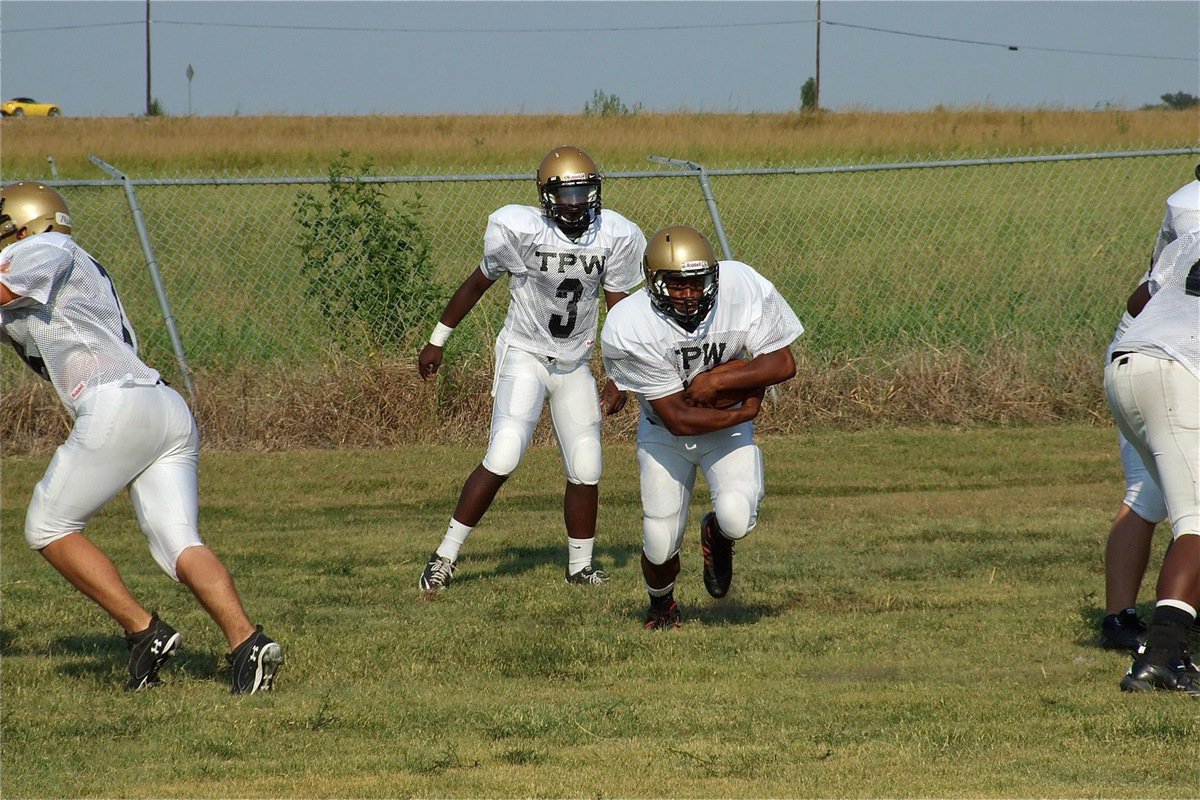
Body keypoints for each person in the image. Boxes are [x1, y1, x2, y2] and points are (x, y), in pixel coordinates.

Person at [0, 182, 283, 694]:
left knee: (48, 527)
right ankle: (248, 645)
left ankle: (144, 630)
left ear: (24, 224)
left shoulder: (45, 247)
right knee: (178, 542)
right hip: (162, 406)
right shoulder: (51, 265)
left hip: (118, 404)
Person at [416, 145, 645, 593]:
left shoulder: (614, 235)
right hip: (525, 354)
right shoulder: (521, 231)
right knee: (503, 453)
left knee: (588, 465)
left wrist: (619, 374)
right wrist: (437, 339)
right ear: (546, 197)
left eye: (584, 194)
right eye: (567, 195)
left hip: (574, 361)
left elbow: (619, 312)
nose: (576, 205)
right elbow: (476, 284)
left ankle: (580, 567)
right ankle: (444, 556)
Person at [600, 225, 804, 629]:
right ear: (655, 282)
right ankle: (662, 604)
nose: (690, 294)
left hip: (723, 435)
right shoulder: (628, 323)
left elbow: (783, 362)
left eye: (697, 283)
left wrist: (720, 381)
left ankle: (717, 536)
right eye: (677, 285)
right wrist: (741, 413)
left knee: (735, 516)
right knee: (659, 542)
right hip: (665, 433)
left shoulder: (740, 284)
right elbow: (677, 416)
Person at [1099, 167, 1200, 651]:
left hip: (1132, 357)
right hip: (1175, 367)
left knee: (1160, 497)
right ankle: (1163, 651)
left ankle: (1138, 621)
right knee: (1194, 519)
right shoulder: (1188, 206)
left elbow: (1143, 295)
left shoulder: (1187, 220)